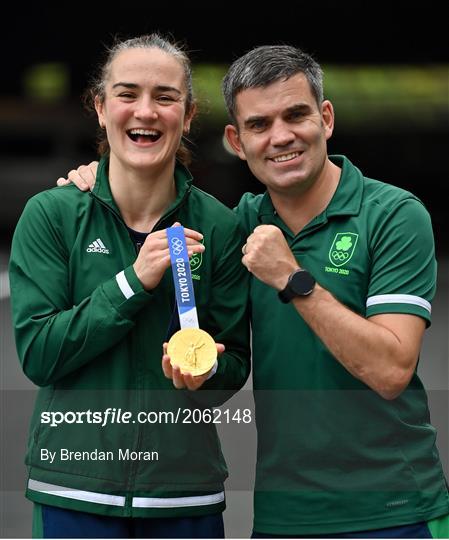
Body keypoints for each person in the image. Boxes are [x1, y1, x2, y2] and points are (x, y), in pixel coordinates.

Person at [58, 45, 449, 538]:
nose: (281, 136)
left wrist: (293, 278)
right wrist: (96, 183)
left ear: (325, 118)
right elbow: (146, 205)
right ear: (236, 141)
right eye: (259, 124)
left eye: (296, 115)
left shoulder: (393, 215)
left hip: (396, 511)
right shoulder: (236, 226)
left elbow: (392, 370)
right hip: (282, 520)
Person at [9, 34, 250, 539]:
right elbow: (39, 354)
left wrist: (205, 374)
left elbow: (234, 366)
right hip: (75, 486)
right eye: (126, 94)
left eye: (165, 97)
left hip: (185, 493)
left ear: (186, 116)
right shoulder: (52, 216)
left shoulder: (221, 228)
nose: (146, 111)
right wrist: (131, 283)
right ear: (100, 108)